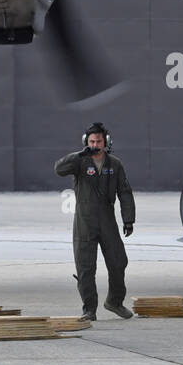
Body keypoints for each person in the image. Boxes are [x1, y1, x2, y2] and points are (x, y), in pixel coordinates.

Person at [54, 122, 136, 321]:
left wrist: (128, 219)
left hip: (107, 220)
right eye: (91, 141)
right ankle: (89, 309)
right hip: (84, 221)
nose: (95, 144)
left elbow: (124, 192)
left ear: (106, 141)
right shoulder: (80, 162)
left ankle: (115, 301)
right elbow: (58, 169)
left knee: (118, 262)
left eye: (99, 141)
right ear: (86, 142)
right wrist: (79, 154)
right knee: (85, 267)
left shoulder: (115, 164)